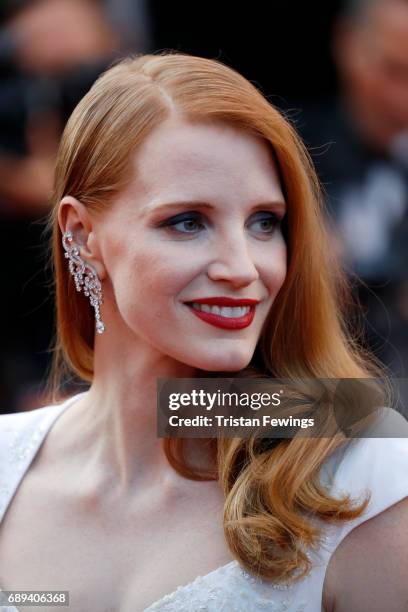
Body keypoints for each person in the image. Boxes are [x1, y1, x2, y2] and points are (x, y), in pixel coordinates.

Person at [0, 51, 407, 612]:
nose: (242, 267)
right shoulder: (8, 462)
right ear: (83, 235)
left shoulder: (362, 466)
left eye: (264, 222)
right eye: (187, 222)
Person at [299, 0, 408, 377]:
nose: (403, 99)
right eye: (393, 70)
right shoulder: (288, 153)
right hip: (309, 395)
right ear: (348, 46)